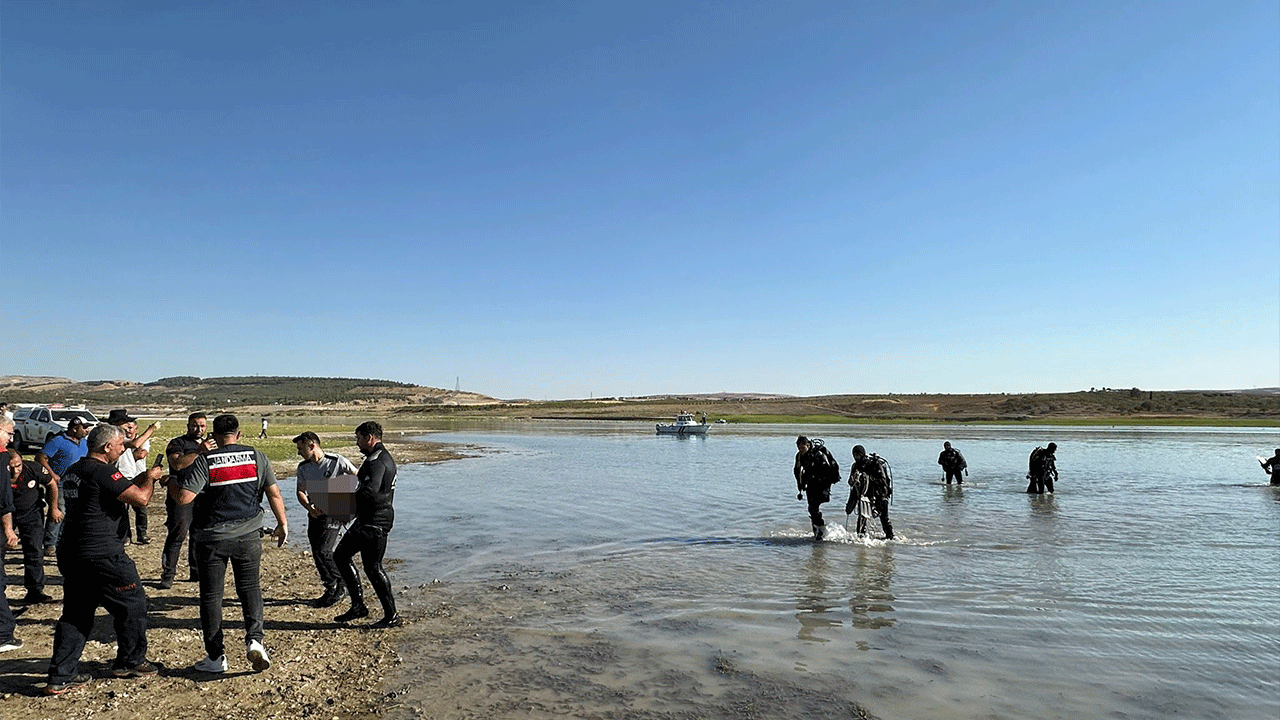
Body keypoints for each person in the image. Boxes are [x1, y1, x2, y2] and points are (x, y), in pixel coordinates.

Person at [45, 423, 163, 695]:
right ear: (107, 447)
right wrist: (150, 478)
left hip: (72, 552)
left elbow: (113, 489)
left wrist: (139, 477)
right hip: (103, 553)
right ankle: (130, 661)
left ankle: (60, 675)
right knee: (132, 604)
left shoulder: (75, 470)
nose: (123, 449)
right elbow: (141, 499)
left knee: (76, 613)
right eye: (120, 445)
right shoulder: (103, 471)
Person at [174, 414, 288, 674]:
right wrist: (282, 524)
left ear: (213, 436)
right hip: (248, 536)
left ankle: (216, 657)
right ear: (238, 434)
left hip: (212, 538)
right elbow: (274, 493)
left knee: (211, 597)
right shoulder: (256, 456)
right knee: (250, 589)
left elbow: (184, 498)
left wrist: (172, 484)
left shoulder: (206, 460)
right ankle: (255, 640)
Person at [334, 421, 401, 627]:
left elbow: (369, 491)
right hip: (372, 519)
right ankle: (366, 608)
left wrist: (343, 506)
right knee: (363, 563)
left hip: (374, 522)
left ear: (369, 437)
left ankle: (385, 614)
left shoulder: (378, 461)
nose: (357, 443)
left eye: (359, 438)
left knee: (360, 562)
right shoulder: (379, 457)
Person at [294, 431, 358, 608]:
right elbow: (300, 491)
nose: (298, 452)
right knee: (317, 552)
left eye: (301, 448)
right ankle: (331, 587)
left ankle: (342, 584)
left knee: (324, 550)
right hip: (315, 513)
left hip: (335, 512)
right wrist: (310, 507)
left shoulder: (336, 461)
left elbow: (358, 478)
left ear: (311, 446)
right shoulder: (303, 467)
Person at [160, 412, 214, 588]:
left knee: (199, 534)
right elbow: (177, 464)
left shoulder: (210, 444)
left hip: (204, 495)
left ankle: (196, 572)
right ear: (188, 426)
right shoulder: (178, 443)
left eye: (202, 426)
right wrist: (199, 451)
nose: (199, 429)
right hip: (181, 493)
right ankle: (168, 574)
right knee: (178, 534)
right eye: (195, 425)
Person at [6, 449, 60, 604]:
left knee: (34, 551)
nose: (15, 471)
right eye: (11, 467)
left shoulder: (33, 468)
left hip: (31, 514)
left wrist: (53, 508)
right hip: (6, 514)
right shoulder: (2, 474)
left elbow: (52, 484)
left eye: (18, 466)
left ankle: (35, 590)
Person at [37, 415, 90, 552]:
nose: (86, 430)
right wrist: (51, 474)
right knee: (59, 512)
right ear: (74, 429)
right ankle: (50, 543)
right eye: (84, 427)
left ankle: (66, 541)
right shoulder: (58, 441)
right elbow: (41, 457)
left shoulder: (84, 442)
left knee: (75, 514)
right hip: (59, 485)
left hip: (79, 484)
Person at [107, 409, 160, 544]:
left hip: (130, 475)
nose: (127, 426)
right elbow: (135, 445)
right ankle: (125, 536)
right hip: (120, 476)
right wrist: (151, 429)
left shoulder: (119, 436)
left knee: (137, 507)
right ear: (117, 423)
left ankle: (135, 535)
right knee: (122, 508)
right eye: (125, 423)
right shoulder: (113, 436)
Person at [0, 419, 25, 653]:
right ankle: (3, 634)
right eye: (9, 433)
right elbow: (4, 500)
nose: (11, 438)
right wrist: (9, 529)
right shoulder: (1, 458)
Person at [793, 436, 839, 540]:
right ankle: (817, 532)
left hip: (821, 485)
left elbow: (827, 470)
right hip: (810, 484)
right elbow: (797, 471)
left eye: (802, 448)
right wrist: (800, 485)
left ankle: (821, 530)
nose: (800, 450)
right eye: (799, 448)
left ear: (808, 446)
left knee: (813, 508)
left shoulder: (818, 454)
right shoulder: (799, 456)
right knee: (811, 508)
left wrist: (825, 487)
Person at [845, 445, 894, 540]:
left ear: (862, 454)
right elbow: (852, 484)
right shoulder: (855, 466)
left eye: (857, 455)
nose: (856, 457)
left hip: (879, 494)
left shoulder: (873, 464)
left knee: (884, 518)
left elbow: (882, 481)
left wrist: (867, 478)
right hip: (864, 496)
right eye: (854, 455)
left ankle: (890, 537)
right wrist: (851, 502)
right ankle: (861, 538)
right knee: (862, 517)